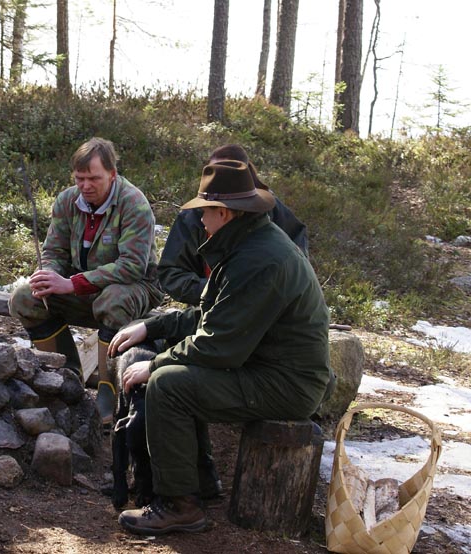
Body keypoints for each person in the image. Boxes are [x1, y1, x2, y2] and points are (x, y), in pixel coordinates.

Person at [109, 160, 331, 536]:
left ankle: (180, 505)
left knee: (168, 385)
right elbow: (214, 315)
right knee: (174, 373)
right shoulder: (248, 244)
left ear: (224, 213)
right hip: (269, 367)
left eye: (204, 211)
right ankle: (199, 481)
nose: (200, 220)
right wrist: (152, 326)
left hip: (288, 384)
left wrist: (156, 364)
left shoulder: (259, 259)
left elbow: (219, 346)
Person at [8, 137, 164, 425]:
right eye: (80, 178)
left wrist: (72, 284)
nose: (86, 186)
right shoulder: (67, 201)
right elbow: (54, 251)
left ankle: (109, 388)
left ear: (112, 174)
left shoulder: (133, 203)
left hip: (135, 288)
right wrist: (48, 275)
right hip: (84, 288)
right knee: (24, 298)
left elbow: (131, 267)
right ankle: (66, 376)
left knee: (112, 299)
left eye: (94, 178)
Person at [158, 144, 308, 306]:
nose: (220, 180)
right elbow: (171, 273)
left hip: (266, 307)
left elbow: (296, 266)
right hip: (208, 306)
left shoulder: (270, 210)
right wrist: (216, 290)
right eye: (215, 173)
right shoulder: (194, 216)